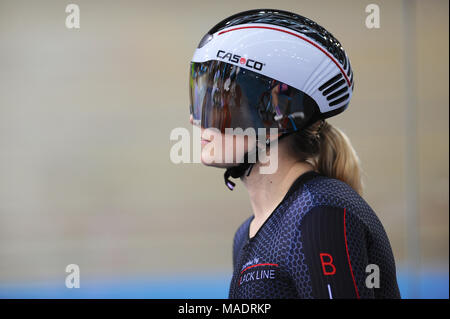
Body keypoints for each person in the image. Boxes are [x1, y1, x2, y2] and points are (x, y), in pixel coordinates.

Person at [188, 9, 400, 299]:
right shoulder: (246, 235)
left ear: (277, 116)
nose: (196, 120)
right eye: (199, 100)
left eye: (217, 104)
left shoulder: (320, 213)